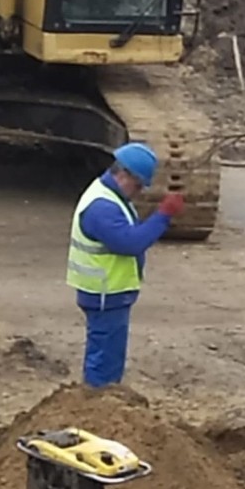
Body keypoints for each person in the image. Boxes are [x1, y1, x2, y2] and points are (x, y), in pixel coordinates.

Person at [66, 143, 185, 387]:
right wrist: (163, 214)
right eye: (139, 185)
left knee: (106, 355)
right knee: (104, 362)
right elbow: (131, 243)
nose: (139, 192)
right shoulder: (102, 208)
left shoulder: (108, 194)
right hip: (104, 293)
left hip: (108, 292)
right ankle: (97, 406)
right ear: (124, 175)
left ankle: (99, 402)